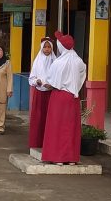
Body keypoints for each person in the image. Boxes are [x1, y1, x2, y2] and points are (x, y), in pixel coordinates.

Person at [41, 31, 86, 165]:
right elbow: (82, 73)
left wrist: (46, 83)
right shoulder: (78, 61)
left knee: (57, 126)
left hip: (59, 96)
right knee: (71, 127)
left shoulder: (58, 63)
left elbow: (51, 82)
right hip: (73, 97)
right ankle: (71, 158)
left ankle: (57, 157)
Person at [28, 37, 56, 148]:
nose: (47, 49)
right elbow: (32, 78)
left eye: (49, 47)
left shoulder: (56, 61)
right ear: (42, 48)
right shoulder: (37, 61)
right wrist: (37, 81)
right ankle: (36, 142)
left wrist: (52, 85)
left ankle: (49, 143)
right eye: (45, 47)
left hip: (51, 93)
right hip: (39, 93)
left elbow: (58, 77)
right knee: (38, 118)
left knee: (50, 118)